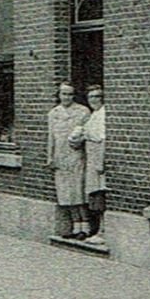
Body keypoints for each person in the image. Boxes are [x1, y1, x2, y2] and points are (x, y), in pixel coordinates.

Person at [46, 82, 92, 239]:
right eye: (63, 94)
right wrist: (50, 156)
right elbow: (51, 137)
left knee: (78, 191)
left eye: (70, 94)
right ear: (58, 95)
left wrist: (80, 141)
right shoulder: (54, 113)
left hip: (76, 155)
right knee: (66, 193)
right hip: (60, 157)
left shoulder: (83, 112)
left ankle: (85, 227)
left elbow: (88, 133)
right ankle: (74, 226)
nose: (66, 97)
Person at [77, 85, 108, 244]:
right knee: (93, 194)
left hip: (97, 156)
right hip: (90, 155)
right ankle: (97, 229)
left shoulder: (103, 114)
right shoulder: (93, 114)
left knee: (99, 193)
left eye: (98, 96)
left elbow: (103, 140)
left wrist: (100, 163)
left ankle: (102, 232)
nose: (95, 100)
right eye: (91, 97)